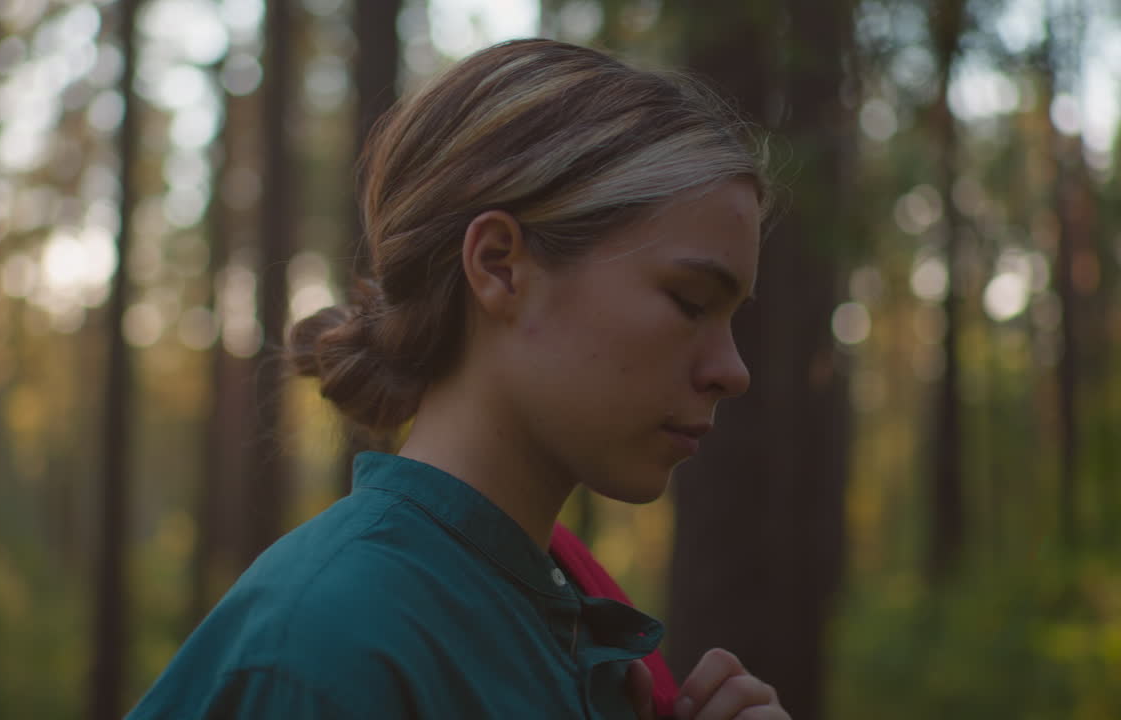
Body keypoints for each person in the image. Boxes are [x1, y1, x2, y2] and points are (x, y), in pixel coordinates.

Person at [126, 38, 788, 720]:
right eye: (690, 302)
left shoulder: (569, 619)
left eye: (732, 317)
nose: (731, 372)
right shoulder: (329, 652)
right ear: (500, 266)